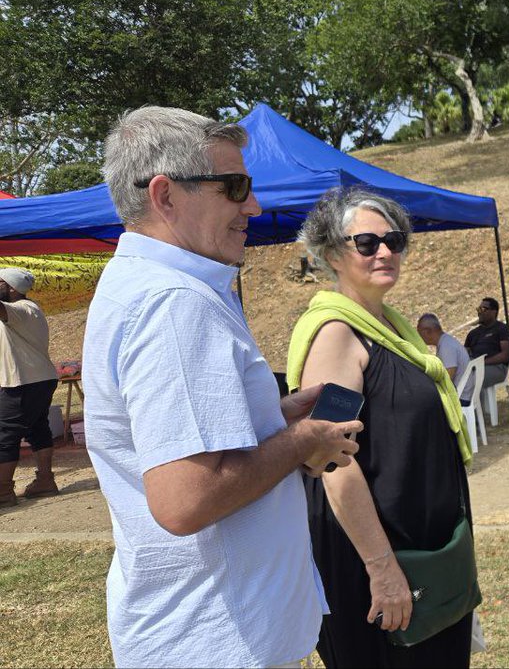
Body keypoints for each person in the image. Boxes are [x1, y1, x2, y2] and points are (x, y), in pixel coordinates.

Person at [84, 106, 362, 668]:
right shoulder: (174, 303)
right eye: (234, 188)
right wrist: (299, 442)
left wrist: (273, 417)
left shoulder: (149, 285)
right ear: (165, 195)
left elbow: (174, 443)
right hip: (218, 641)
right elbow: (186, 499)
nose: (253, 207)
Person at [287, 187, 478, 668]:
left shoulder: (392, 328)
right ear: (332, 253)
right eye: (367, 243)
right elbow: (333, 462)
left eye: (394, 239)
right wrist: (383, 568)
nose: (386, 251)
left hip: (426, 550)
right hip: (377, 564)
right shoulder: (336, 336)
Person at [0, 268, 60, 506]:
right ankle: (45, 481)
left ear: (12, 288)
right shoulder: (27, 309)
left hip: (23, 382)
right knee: (37, 428)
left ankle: (3, 491)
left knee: (5, 434)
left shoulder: (21, 310)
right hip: (38, 378)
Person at [417, 312, 473, 395]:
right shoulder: (445, 341)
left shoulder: (446, 346)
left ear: (427, 331)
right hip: (462, 392)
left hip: (460, 396)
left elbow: (447, 379)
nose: (418, 336)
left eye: (419, 332)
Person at [464, 297, 509, 389]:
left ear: (494, 312)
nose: (479, 312)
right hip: (474, 367)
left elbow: (506, 355)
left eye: (483, 309)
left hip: (496, 368)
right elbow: (465, 353)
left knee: (470, 380)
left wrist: (481, 363)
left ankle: (473, 403)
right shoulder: (472, 333)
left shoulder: (503, 329)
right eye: (478, 309)